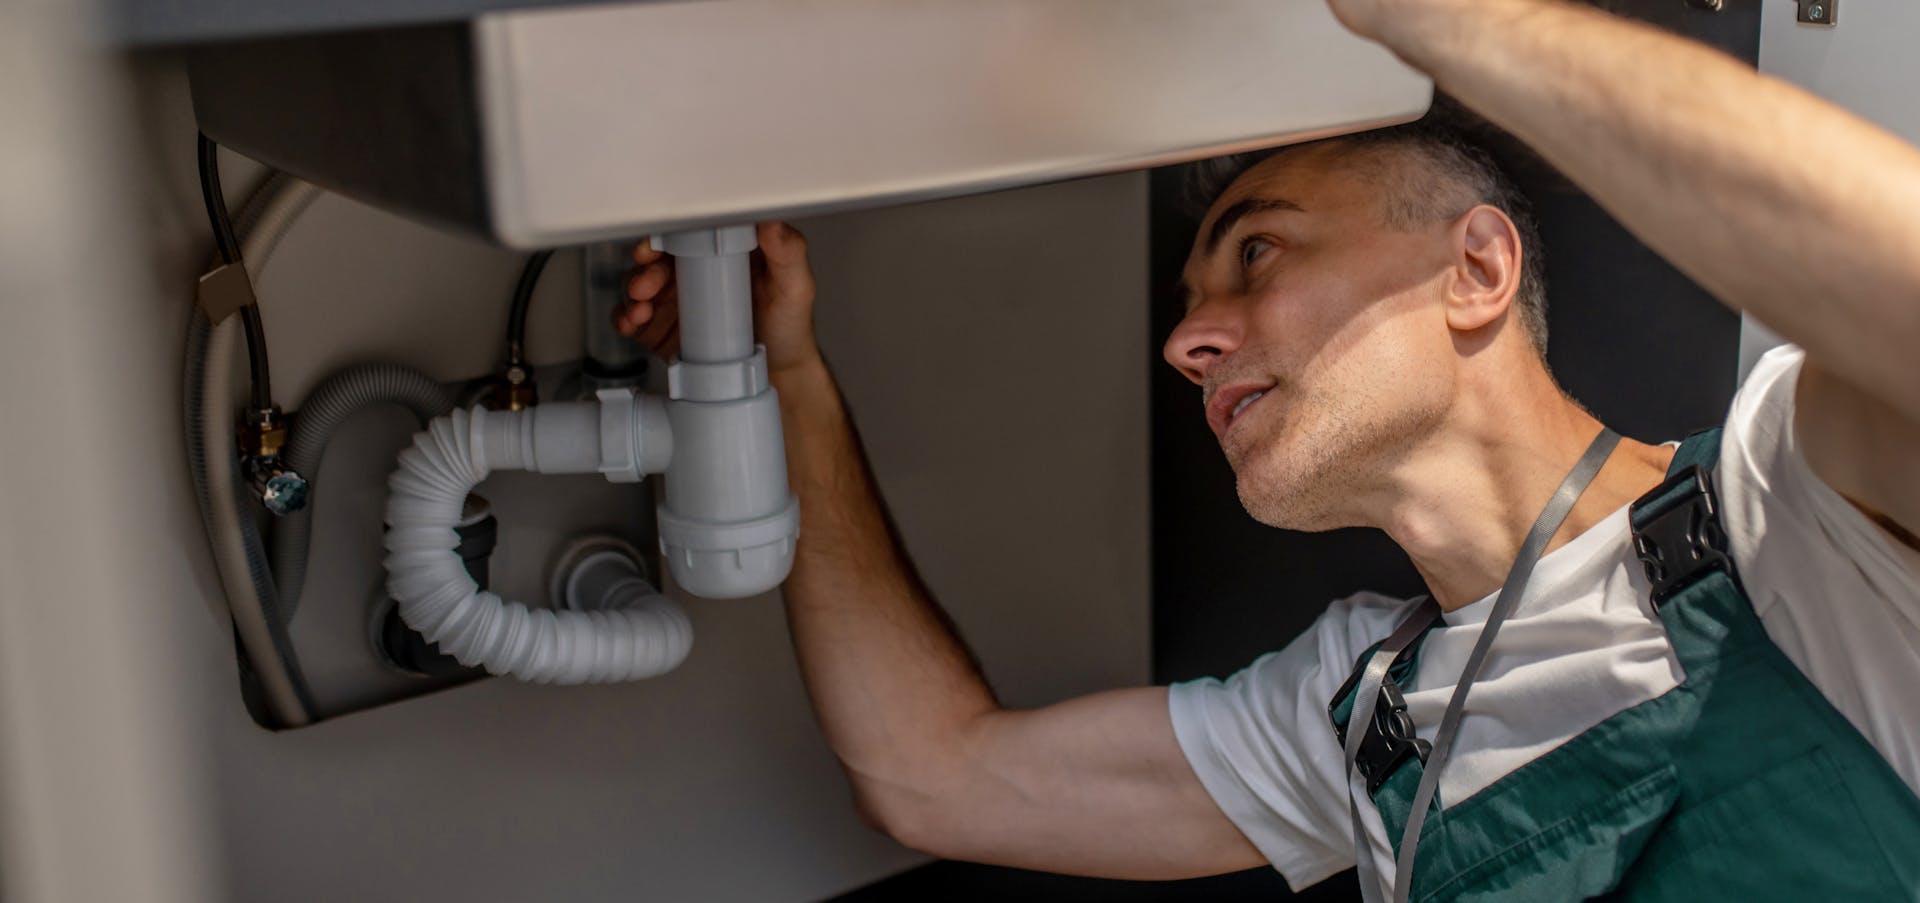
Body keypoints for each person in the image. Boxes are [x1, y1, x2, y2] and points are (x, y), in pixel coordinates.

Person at [617, 0, 1920, 896]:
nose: (1189, 340)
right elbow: (933, 776)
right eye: (1190, 302)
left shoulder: (1793, 509)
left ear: (1475, 268)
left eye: (1256, 253)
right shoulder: (1362, 715)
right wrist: (783, 373)